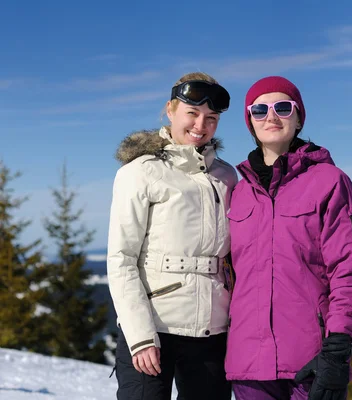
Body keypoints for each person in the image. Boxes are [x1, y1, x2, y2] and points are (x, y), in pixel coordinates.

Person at [225, 76, 352, 400]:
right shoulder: (239, 192)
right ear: (250, 121)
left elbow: (350, 268)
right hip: (248, 366)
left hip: (311, 362)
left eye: (283, 107)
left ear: (299, 117)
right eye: (260, 109)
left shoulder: (329, 181)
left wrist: (337, 349)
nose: (271, 116)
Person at [106, 72, 237, 400]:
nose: (200, 125)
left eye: (212, 118)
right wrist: (140, 336)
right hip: (154, 328)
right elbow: (121, 259)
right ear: (170, 110)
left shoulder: (226, 176)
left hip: (212, 331)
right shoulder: (140, 171)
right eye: (192, 114)